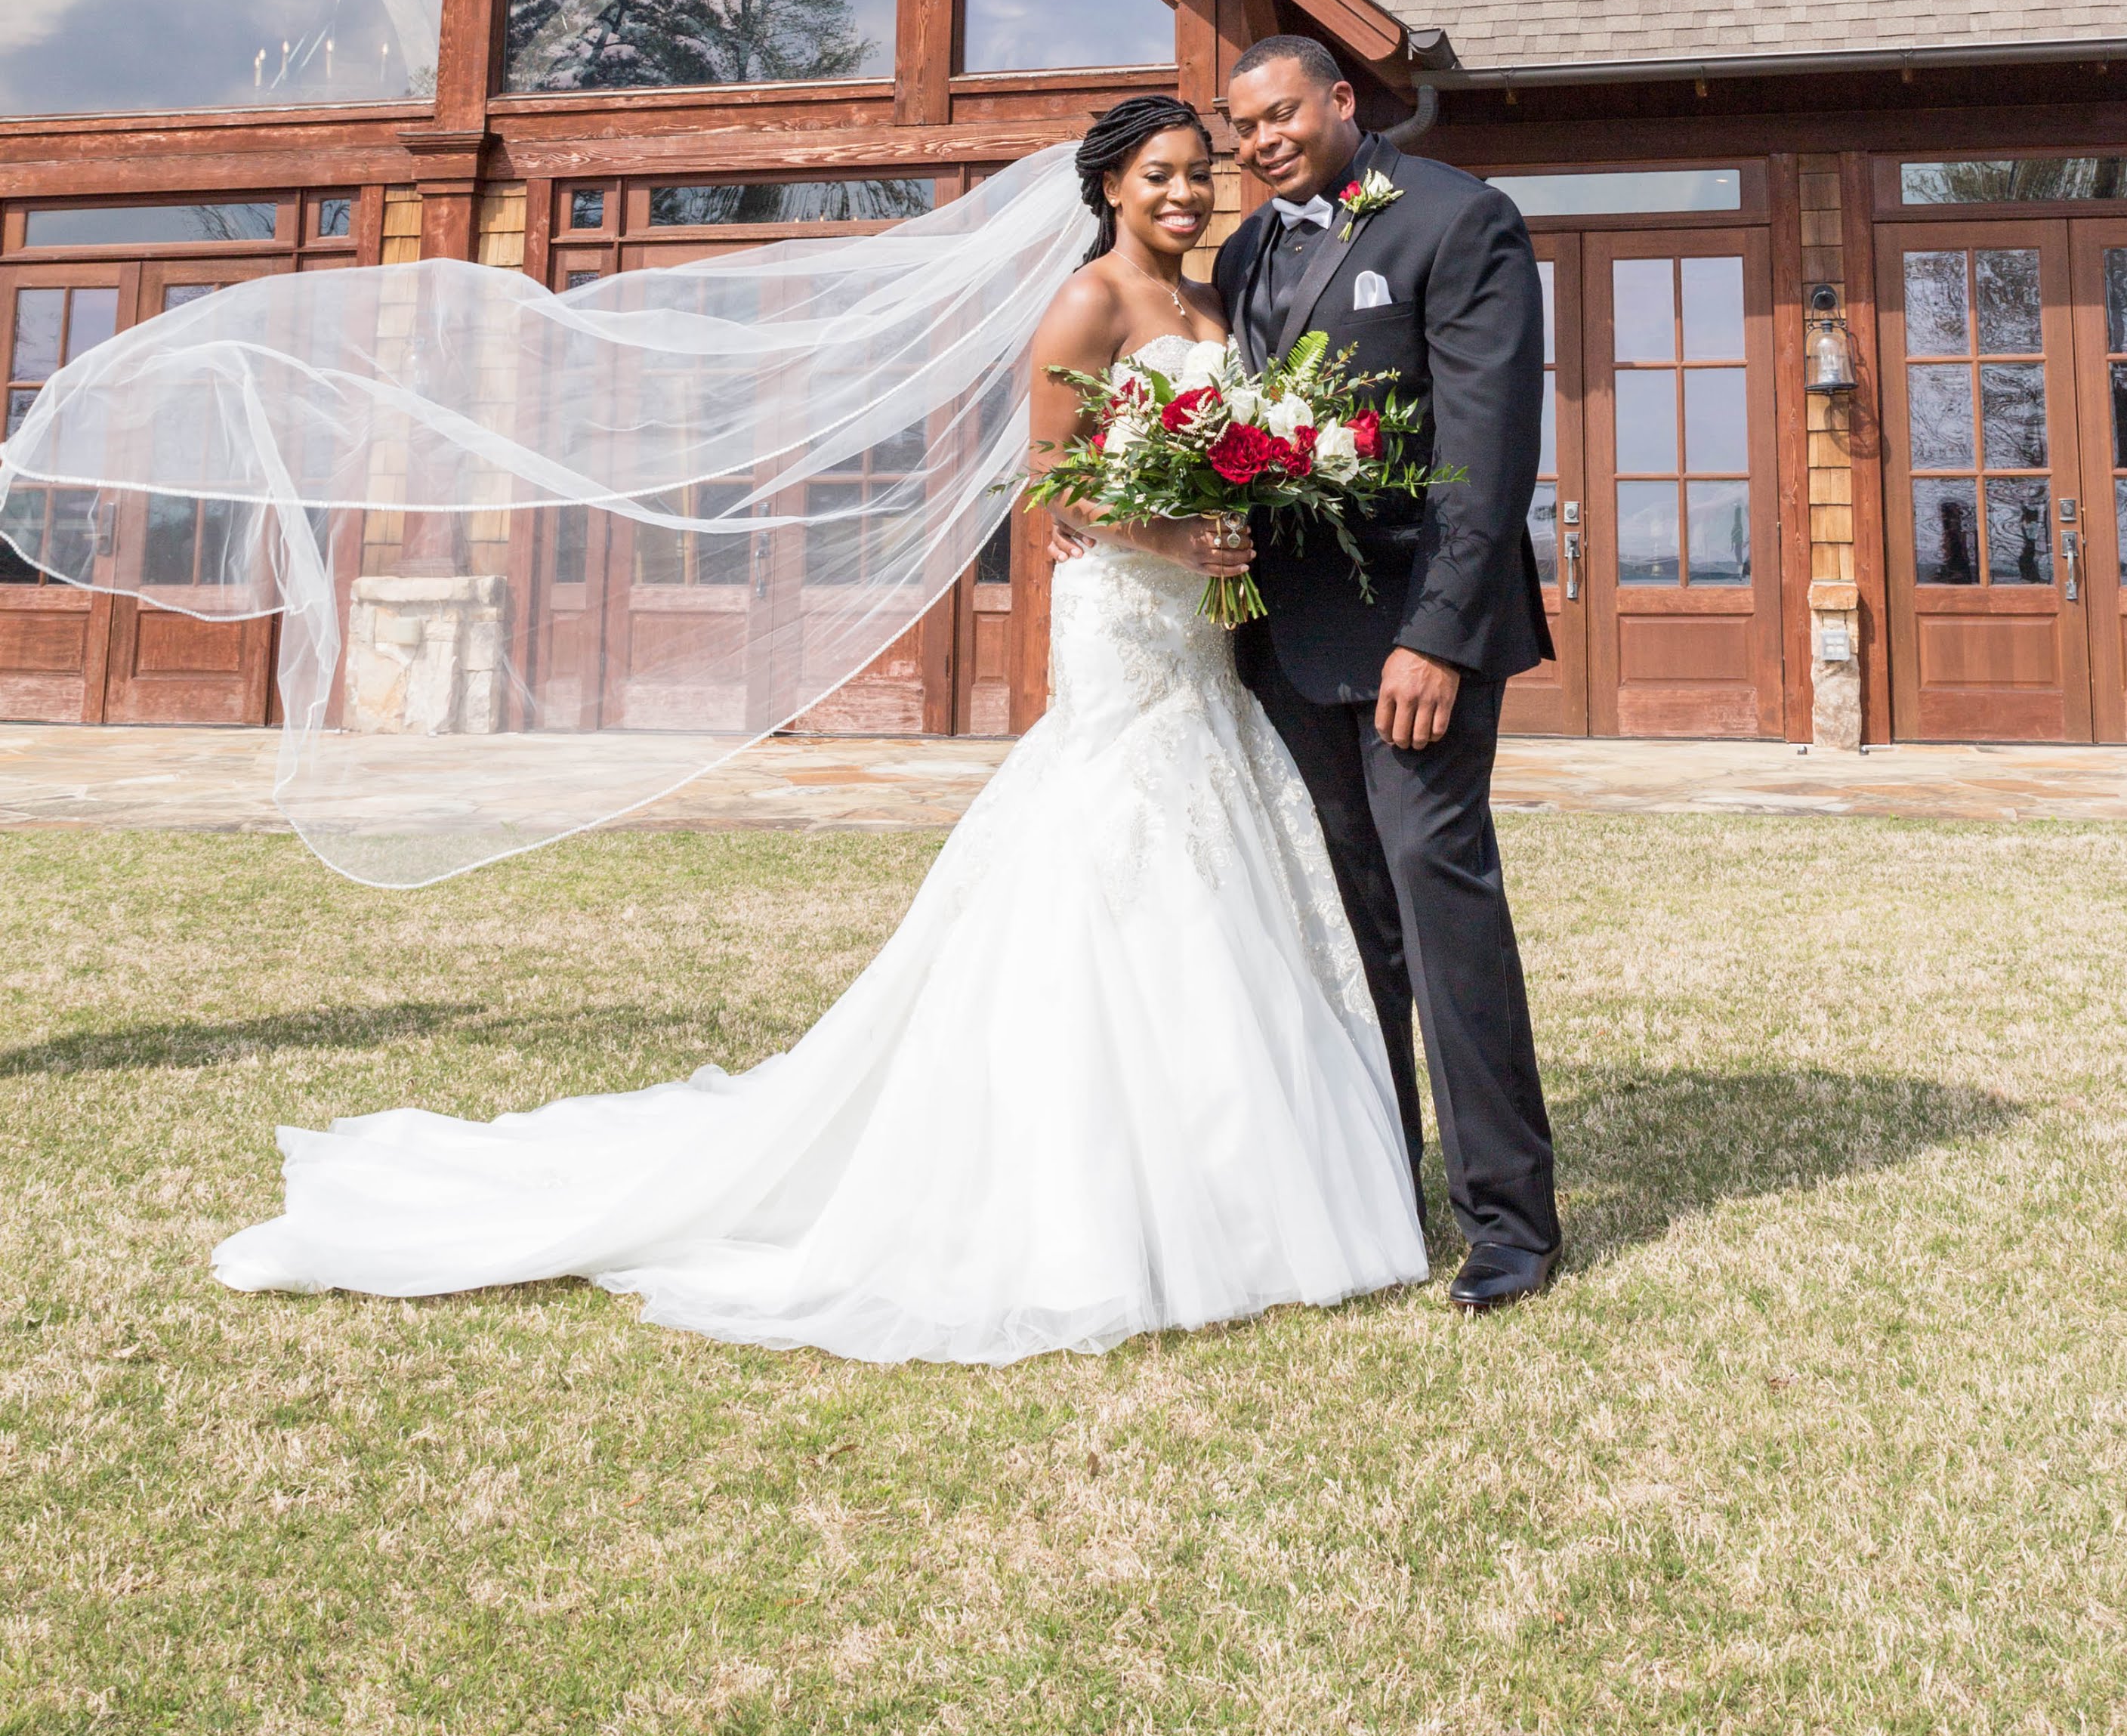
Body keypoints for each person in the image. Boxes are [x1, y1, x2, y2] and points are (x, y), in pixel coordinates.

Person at [209, 96, 1428, 1364]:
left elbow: (1204, 449)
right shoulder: (1089, 305)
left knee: (1211, 851)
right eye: (1162, 176)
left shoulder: (1216, 309)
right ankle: (1086, 1184)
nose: (1187, 195)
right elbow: (1049, 478)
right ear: (1112, 187)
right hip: (1124, 616)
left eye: (1200, 176)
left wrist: (1235, 510)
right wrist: (1169, 533)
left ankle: (1231, 1171)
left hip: (1197, 629)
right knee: (1113, 842)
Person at [1210, 37, 1561, 1311]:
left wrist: (1438, 636)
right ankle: (1374, 1192)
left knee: (1436, 897)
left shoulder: (1460, 221)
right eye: (1242, 124)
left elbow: (1484, 448)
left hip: (1418, 636)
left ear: (1340, 103)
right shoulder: (1246, 253)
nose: (1262, 140)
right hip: (1289, 640)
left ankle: (1510, 1222)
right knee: (1346, 919)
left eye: (1282, 113)